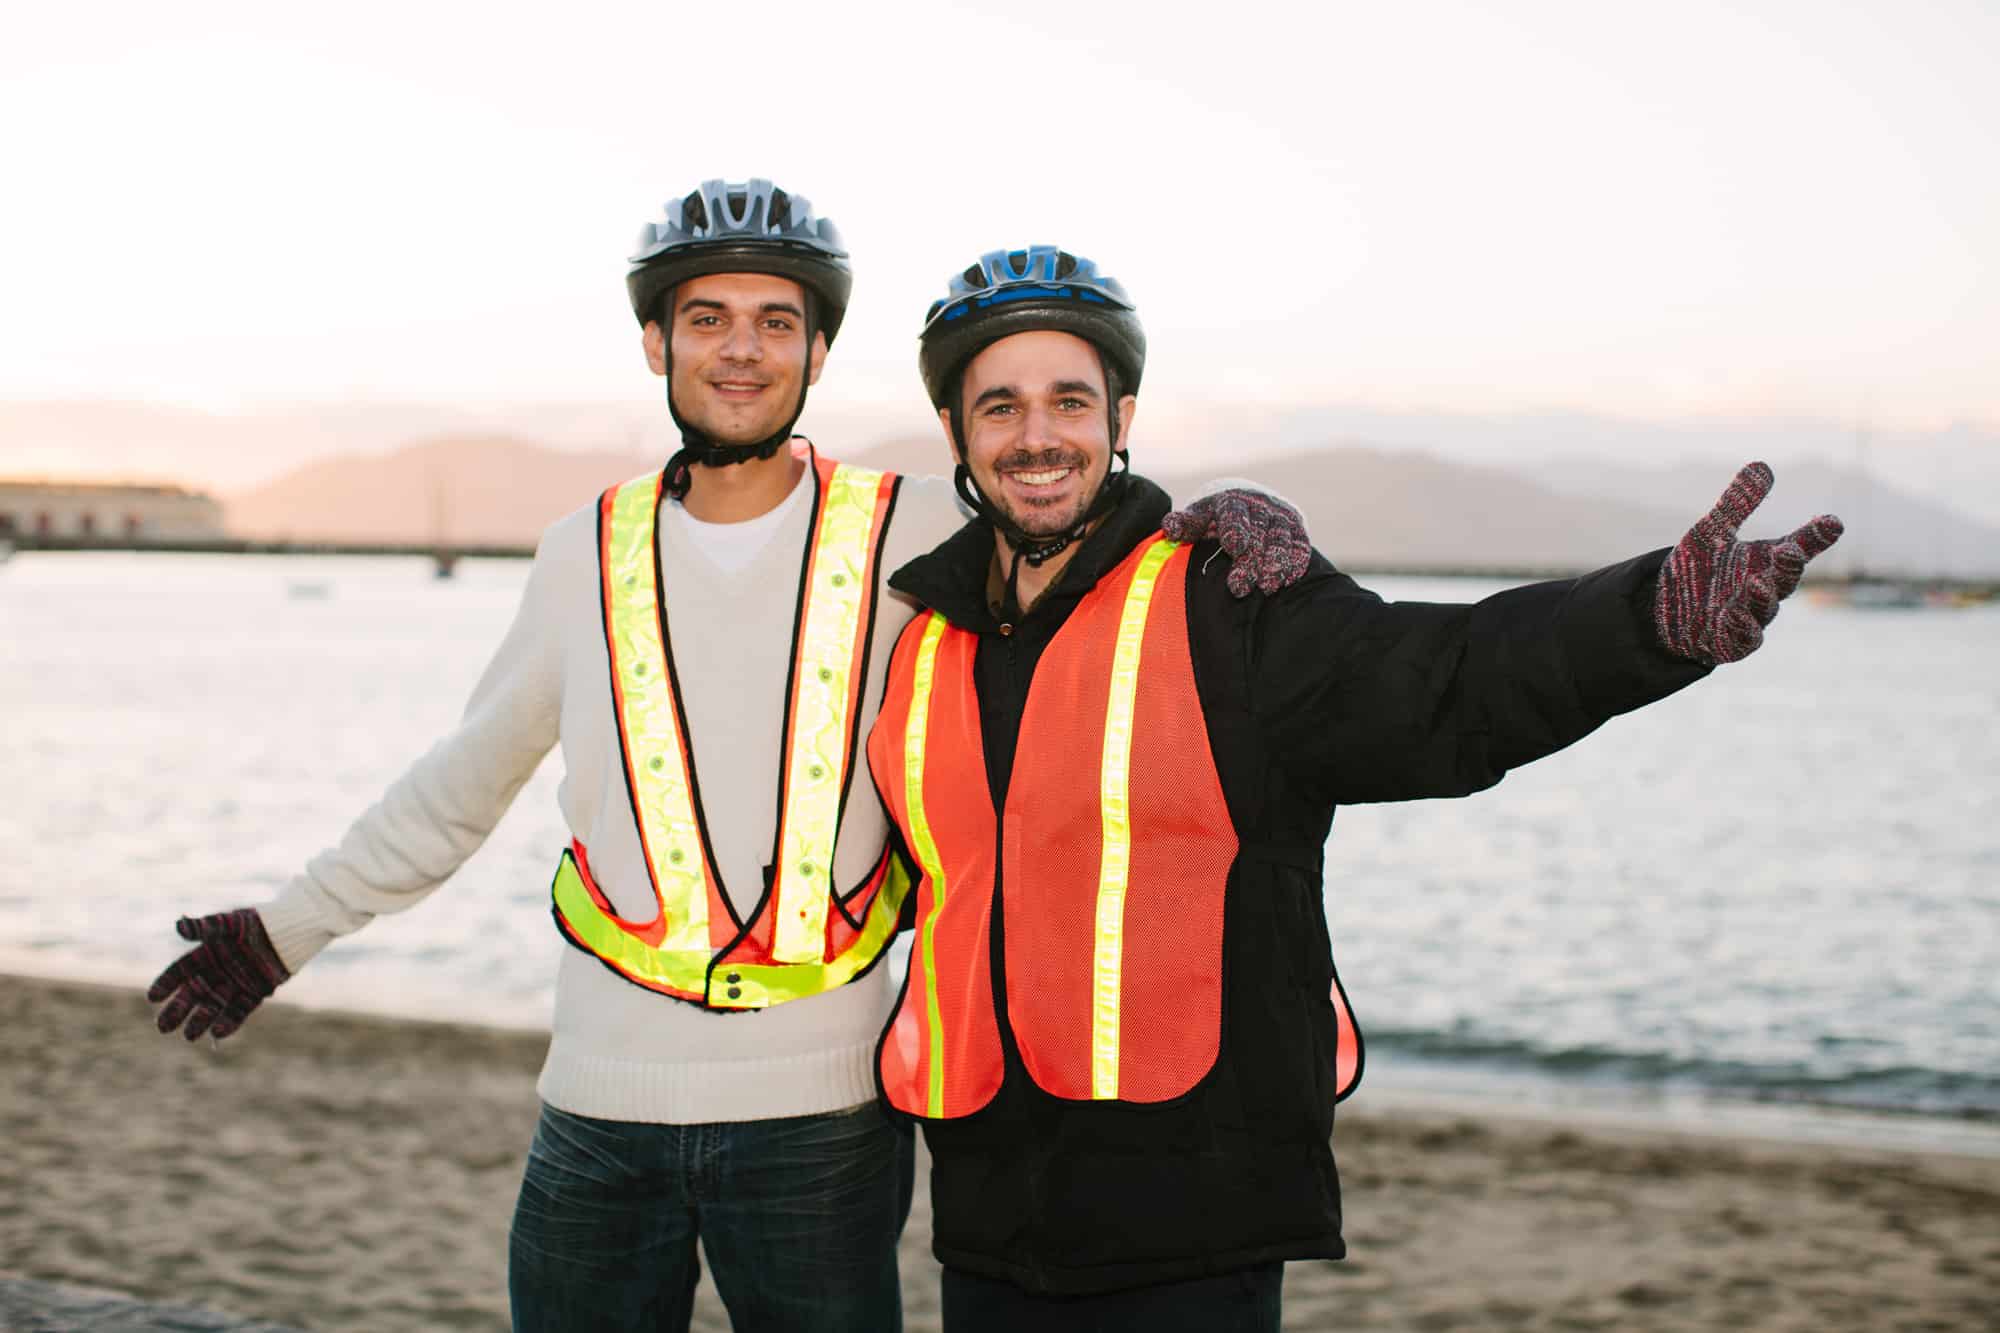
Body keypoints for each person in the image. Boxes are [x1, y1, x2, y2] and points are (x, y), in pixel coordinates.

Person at [145, 185, 1308, 1333]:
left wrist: (1204, 524)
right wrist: (287, 929)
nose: (740, 350)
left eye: (776, 322)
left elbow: (1071, 545)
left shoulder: (916, 533)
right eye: (707, 318)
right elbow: (463, 781)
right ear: (656, 341)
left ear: (816, 353)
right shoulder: (579, 553)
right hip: (594, 1111)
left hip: (825, 1120)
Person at [864, 245, 1845, 1331]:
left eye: (1069, 401)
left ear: (1121, 418)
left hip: (1192, 1220)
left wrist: (1642, 621)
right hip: (986, 1221)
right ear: (957, 433)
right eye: (998, 405)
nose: (1036, 434)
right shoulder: (924, 646)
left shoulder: (1226, 596)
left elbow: (1440, 685)